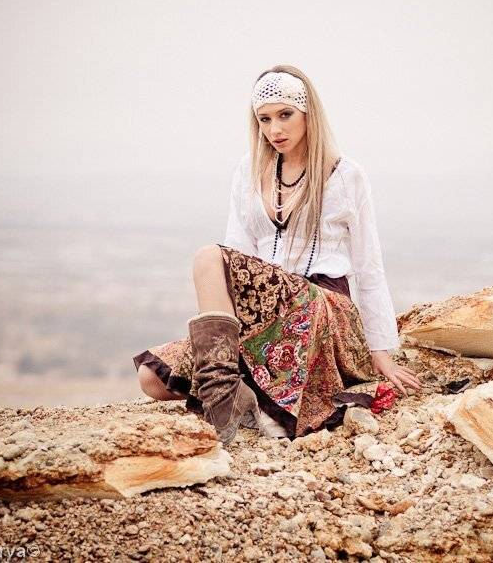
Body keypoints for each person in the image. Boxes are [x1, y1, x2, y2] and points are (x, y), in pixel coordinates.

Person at [134, 65, 422, 445]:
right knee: (152, 379)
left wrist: (379, 350)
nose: (275, 129)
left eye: (285, 114)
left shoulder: (345, 174)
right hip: (266, 308)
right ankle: (233, 394)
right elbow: (238, 256)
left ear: (308, 113)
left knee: (207, 257)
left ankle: (222, 404)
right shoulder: (249, 170)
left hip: (322, 306)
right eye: (265, 119)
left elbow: (369, 266)